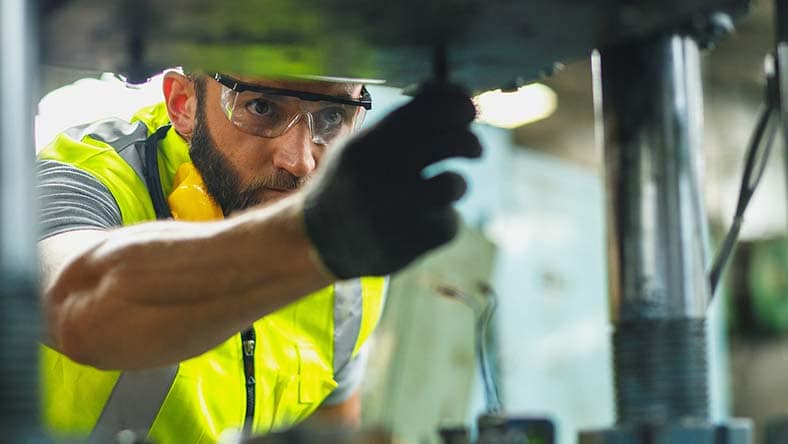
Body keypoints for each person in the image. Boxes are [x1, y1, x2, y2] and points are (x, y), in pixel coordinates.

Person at [36, 69, 481, 442]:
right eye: (262, 108)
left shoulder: (352, 261)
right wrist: (309, 238)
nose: (300, 161)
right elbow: (76, 304)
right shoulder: (87, 177)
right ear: (183, 103)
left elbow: (332, 422)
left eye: (331, 117)